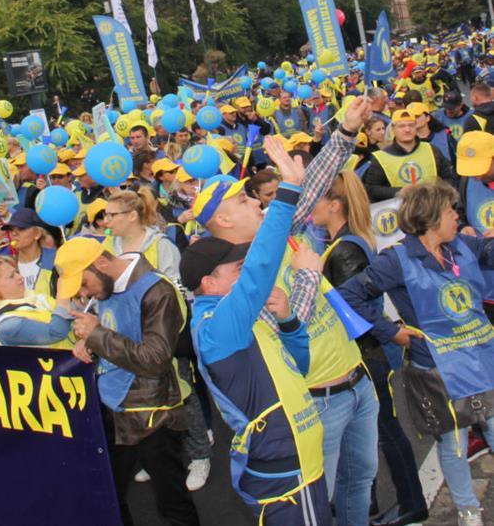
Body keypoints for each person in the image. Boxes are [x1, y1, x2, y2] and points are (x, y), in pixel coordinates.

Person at [200, 96, 379, 524]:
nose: (256, 202)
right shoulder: (234, 279)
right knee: (321, 500)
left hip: (356, 379)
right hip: (318, 401)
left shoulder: (277, 230)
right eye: (243, 202)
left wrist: (346, 130)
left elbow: (311, 184)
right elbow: (287, 328)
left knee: (361, 481)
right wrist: (308, 275)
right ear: (223, 221)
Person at [181, 142, 330, 525]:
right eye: (237, 269)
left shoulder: (244, 319)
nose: (246, 273)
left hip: (300, 457)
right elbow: (259, 270)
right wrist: (288, 191)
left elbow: (298, 366)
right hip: (284, 468)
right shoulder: (215, 327)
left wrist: (288, 321)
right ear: (209, 283)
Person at [339, 183, 494, 526]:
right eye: (450, 211)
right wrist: (389, 331)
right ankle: (468, 511)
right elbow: (349, 296)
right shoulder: (395, 260)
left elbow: (488, 251)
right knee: (454, 442)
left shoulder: (462, 244)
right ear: (432, 218)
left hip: (481, 358)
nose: (457, 217)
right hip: (437, 368)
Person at [312, 172, 429, 526]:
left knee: (387, 430)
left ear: (335, 205)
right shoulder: (341, 242)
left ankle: (412, 502)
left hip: (366, 354)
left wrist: (389, 333)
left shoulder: (345, 248)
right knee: (366, 434)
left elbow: (355, 308)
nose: (310, 208)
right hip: (364, 351)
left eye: (316, 200)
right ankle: (369, 496)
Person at [56, 237, 200, 526]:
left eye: (83, 284)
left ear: (101, 263)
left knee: (172, 503)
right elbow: (117, 333)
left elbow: (155, 360)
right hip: (113, 408)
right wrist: (90, 343)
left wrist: (97, 335)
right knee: (108, 495)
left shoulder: (156, 290)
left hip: (152, 415)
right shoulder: (107, 286)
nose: (84, 294)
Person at [0, 255, 73, 348]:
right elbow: (55, 332)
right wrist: (63, 295)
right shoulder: (6, 324)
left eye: (17, 272)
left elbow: (70, 316)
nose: (20, 277)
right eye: (11, 276)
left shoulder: (34, 297)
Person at [364, 108, 455, 203]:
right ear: (393, 129)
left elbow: (448, 177)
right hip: (400, 209)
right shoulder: (381, 157)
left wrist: (437, 192)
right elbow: (371, 189)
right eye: (401, 126)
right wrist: (399, 191)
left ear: (416, 127)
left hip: (432, 207)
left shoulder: (431, 150)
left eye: (411, 125)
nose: (407, 130)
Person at [103, 189, 180, 282]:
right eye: (105, 215)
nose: (105, 221)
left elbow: (175, 286)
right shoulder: (106, 244)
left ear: (132, 216)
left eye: (111, 215)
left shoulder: (162, 246)